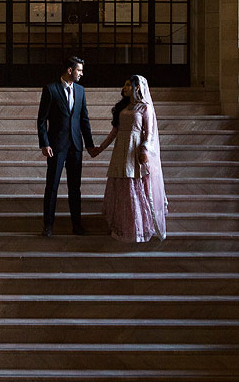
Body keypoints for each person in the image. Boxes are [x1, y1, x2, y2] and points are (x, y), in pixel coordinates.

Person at [90, 75, 168, 242]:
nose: (124, 87)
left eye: (128, 85)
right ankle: (120, 226)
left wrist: (145, 150)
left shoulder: (145, 108)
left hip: (135, 149)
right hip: (120, 149)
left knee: (134, 185)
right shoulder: (123, 107)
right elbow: (114, 132)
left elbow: (150, 132)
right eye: (124, 85)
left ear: (137, 87)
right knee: (121, 185)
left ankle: (136, 228)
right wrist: (100, 148)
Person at [36, 56, 95, 236]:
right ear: (70, 70)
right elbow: (41, 120)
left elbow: (84, 120)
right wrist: (44, 144)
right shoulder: (51, 89)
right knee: (52, 186)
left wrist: (90, 145)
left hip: (75, 146)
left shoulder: (81, 91)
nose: (81, 74)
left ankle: (76, 225)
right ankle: (48, 226)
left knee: (75, 188)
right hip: (56, 146)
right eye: (79, 70)